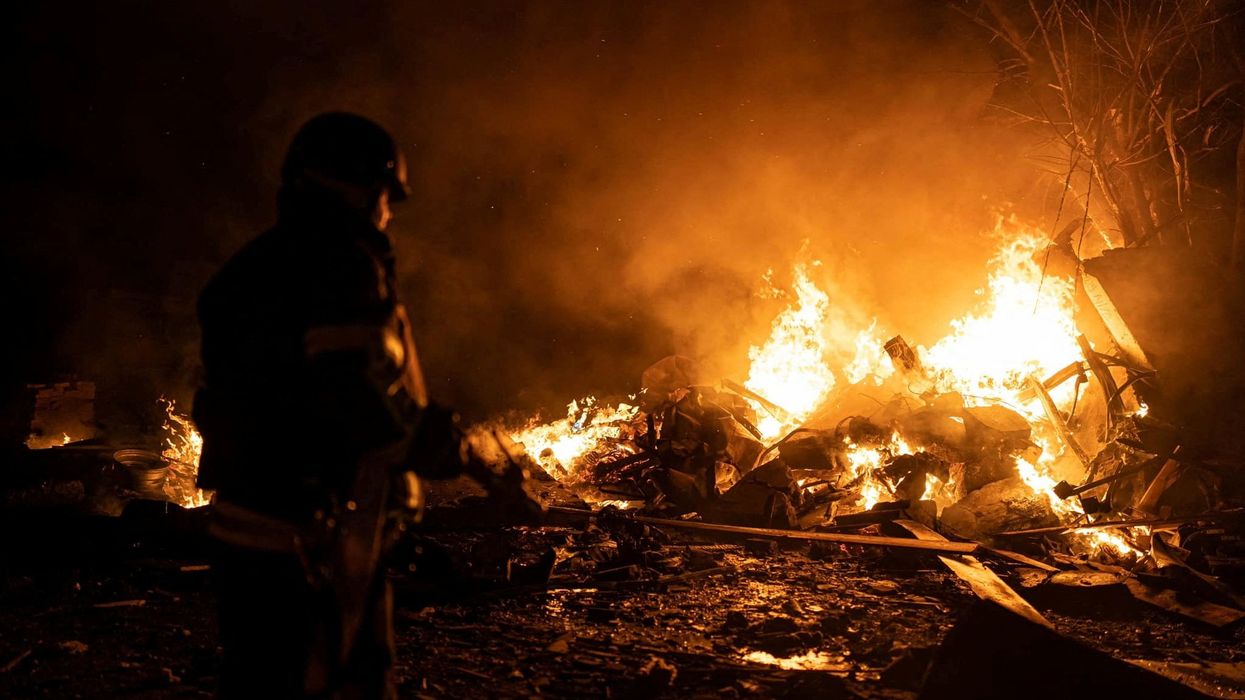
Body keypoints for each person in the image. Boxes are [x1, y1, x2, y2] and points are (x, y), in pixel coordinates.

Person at [193, 112, 541, 698]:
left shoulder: (252, 267)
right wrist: (456, 448)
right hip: (316, 538)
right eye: (384, 195)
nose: (388, 212)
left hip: (248, 529)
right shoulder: (339, 265)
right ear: (350, 186)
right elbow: (355, 400)